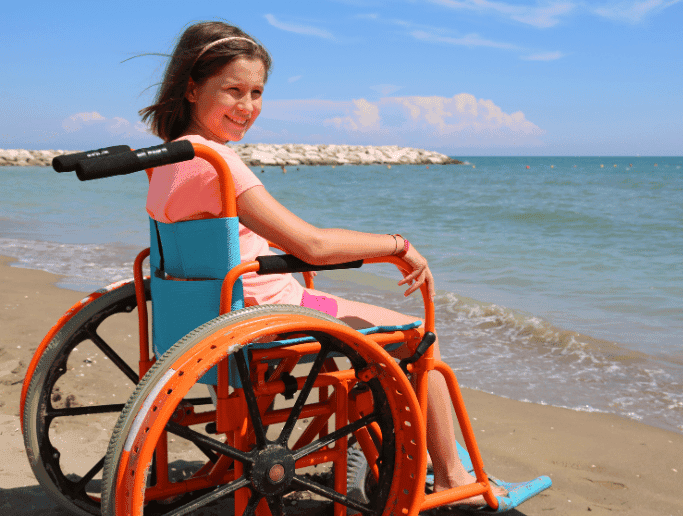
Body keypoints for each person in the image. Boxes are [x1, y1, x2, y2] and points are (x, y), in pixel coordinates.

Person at [141, 21, 512, 507]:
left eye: (256, 92)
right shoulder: (219, 164)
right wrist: (396, 245)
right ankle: (450, 480)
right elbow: (312, 245)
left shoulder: (165, 158)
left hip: (203, 316)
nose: (247, 107)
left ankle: (393, 447)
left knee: (352, 314)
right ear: (192, 87)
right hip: (262, 316)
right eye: (233, 90)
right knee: (417, 336)